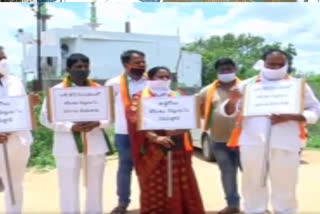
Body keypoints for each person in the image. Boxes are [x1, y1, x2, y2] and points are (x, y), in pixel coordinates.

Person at [222, 49, 320, 214]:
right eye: (271, 64)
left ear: (287, 65)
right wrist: (232, 101)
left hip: (286, 142)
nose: (275, 68)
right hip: (252, 142)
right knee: (252, 182)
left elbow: (315, 109)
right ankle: (255, 211)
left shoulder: (297, 85)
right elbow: (228, 111)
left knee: (286, 182)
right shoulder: (248, 85)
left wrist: (295, 116)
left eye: (280, 65)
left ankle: (286, 211)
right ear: (263, 63)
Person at [126, 66, 206, 214]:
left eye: (166, 77)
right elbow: (133, 120)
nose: (164, 80)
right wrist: (155, 137)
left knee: (178, 183)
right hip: (152, 149)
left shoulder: (178, 96)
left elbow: (189, 119)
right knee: (153, 183)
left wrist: (178, 130)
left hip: (177, 148)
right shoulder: (139, 97)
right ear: (150, 79)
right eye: (159, 77)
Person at [40, 53, 111, 214]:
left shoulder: (99, 90)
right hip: (66, 145)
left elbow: (111, 116)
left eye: (86, 66)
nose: (83, 69)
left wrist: (98, 123)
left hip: (95, 142)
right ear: (68, 69)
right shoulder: (56, 91)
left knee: (95, 184)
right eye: (78, 67)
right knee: (68, 186)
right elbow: (45, 118)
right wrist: (70, 127)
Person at [105, 50, 147, 214]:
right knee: (125, 167)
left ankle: (149, 200)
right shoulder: (113, 83)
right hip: (124, 133)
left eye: (143, 62)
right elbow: (105, 107)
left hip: (148, 133)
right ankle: (122, 203)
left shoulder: (151, 81)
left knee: (149, 167)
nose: (142, 65)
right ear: (126, 65)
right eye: (138, 62)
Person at [198, 58, 241, 214]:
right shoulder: (207, 91)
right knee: (227, 173)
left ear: (235, 69)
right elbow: (199, 110)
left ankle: (255, 205)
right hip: (219, 139)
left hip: (245, 140)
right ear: (217, 72)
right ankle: (232, 205)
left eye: (229, 69)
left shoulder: (247, 87)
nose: (226, 72)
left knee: (252, 174)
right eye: (222, 70)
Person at [0, 46, 34, 214]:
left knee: (15, 183)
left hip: (18, 141)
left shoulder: (16, 81)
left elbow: (22, 109)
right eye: (0, 58)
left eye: (4, 57)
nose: (3, 61)